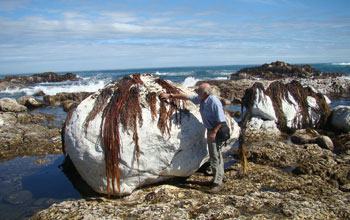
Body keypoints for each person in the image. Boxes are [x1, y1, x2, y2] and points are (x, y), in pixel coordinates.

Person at [160, 83, 226, 193]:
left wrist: (213, 132)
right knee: (218, 154)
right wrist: (170, 96)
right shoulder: (202, 99)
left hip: (217, 130)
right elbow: (186, 97)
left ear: (205, 93)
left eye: (198, 91)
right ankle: (220, 176)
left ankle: (218, 183)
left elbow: (221, 120)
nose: (196, 92)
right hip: (213, 129)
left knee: (214, 156)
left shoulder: (214, 102)